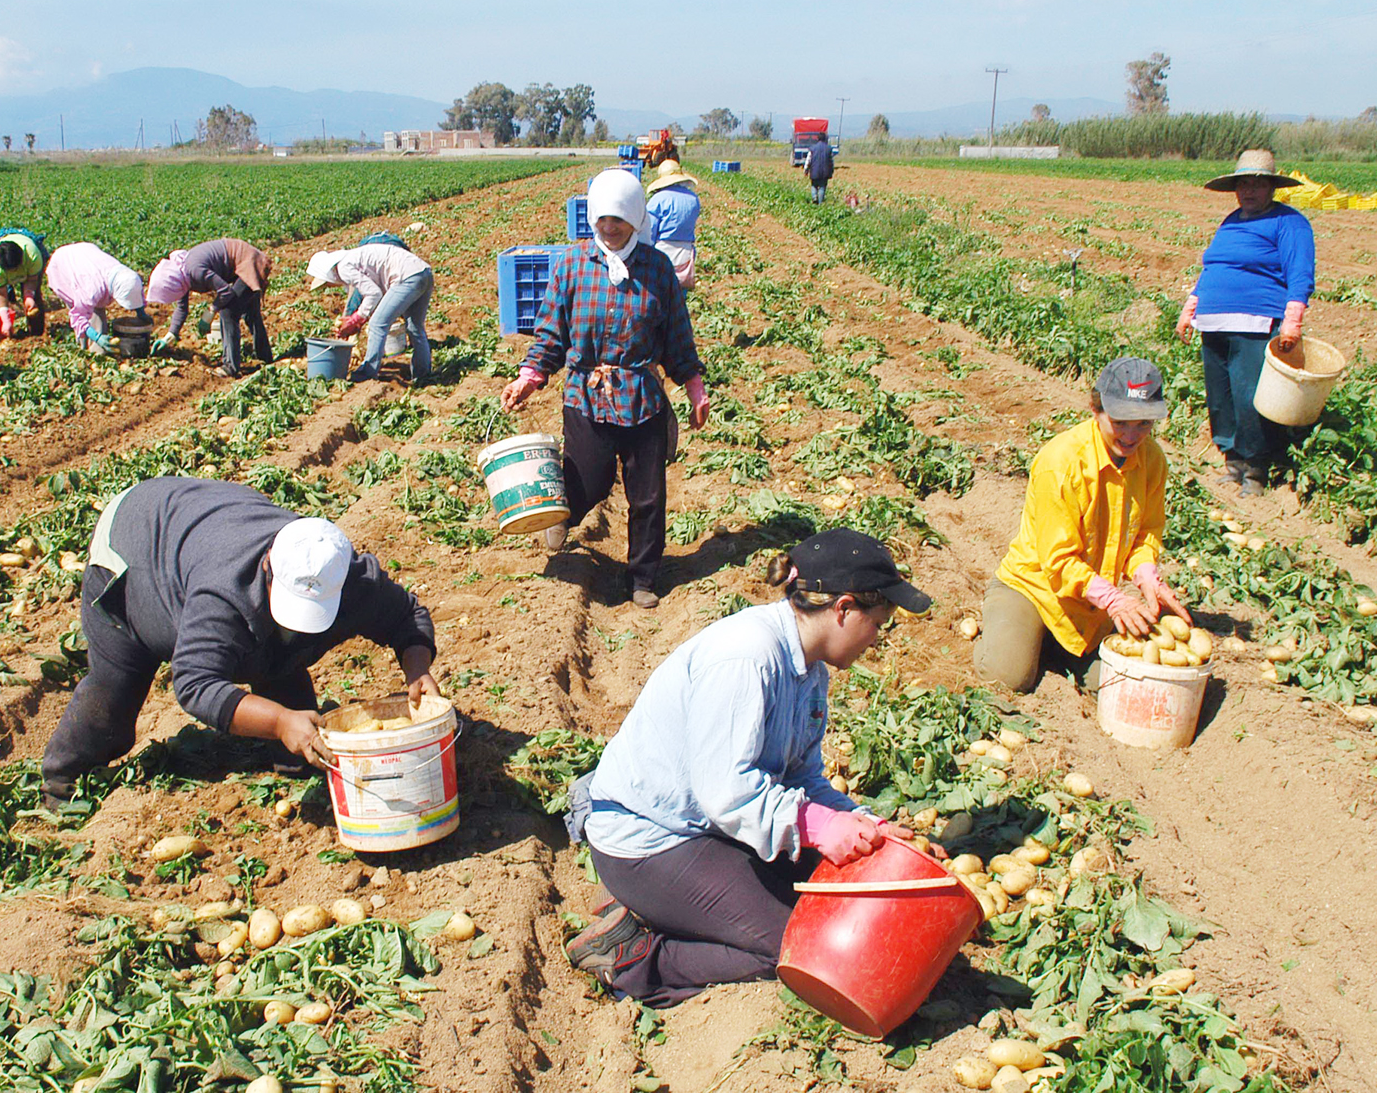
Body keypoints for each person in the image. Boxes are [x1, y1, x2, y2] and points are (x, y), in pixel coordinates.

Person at [563, 529, 933, 1005]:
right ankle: (634, 959)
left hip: (702, 827)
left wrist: (865, 825)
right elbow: (727, 792)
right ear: (842, 609)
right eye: (878, 622)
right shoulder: (747, 659)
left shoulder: (809, 669)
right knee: (803, 949)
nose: (877, 639)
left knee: (821, 901)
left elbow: (802, 777)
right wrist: (817, 826)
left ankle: (664, 908)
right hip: (649, 839)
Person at [40, 476, 441, 805]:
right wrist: (282, 720)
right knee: (119, 684)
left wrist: (417, 670)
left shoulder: (352, 578)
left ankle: (290, 754)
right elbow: (196, 684)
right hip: (133, 545)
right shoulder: (222, 594)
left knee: (282, 655)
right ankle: (62, 781)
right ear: (268, 567)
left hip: (202, 521)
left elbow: (407, 616)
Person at [500, 168, 711, 610]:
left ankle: (643, 578)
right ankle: (562, 517)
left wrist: (693, 386)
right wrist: (529, 377)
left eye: (619, 220)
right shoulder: (573, 264)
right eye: (602, 220)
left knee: (647, 495)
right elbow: (550, 334)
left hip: (641, 397)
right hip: (586, 395)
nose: (610, 228)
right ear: (592, 218)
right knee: (588, 481)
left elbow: (677, 335)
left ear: (636, 219)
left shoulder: (657, 269)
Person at [974, 357, 1192, 694]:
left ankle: (1043, 645)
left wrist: (1146, 574)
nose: (1132, 435)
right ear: (1096, 408)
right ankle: (1017, 629)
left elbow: (1146, 531)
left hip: (1088, 603)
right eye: (1120, 421)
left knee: (1119, 685)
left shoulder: (1152, 460)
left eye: (1144, 423)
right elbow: (1058, 563)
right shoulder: (1061, 462)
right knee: (1009, 678)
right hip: (1034, 589)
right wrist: (1116, 600)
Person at [1174, 149, 1316, 497]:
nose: (1249, 190)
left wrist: (1292, 321)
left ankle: (1256, 469)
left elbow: (1300, 273)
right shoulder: (1231, 222)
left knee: (1250, 395)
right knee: (1220, 396)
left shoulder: (1289, 223)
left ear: (1272, 188)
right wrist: (1191, 306)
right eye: (1243, 184)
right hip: (1215, 321)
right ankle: (1232, 461)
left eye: (1257, 184)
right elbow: (1213, 267)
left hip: (1257, 321)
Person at [306, 239, 435, 383]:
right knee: (415, 326)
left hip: (406, 277)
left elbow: (374, 294)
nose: (330, 286)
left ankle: (368, 372)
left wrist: (356, 320)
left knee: (377, 324)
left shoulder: (344, 267)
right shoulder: (353, 258)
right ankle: (423, 375)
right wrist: (358, 318)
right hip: (423, 273)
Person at [147, 239, 273, 378]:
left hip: (249, 262)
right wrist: (169, 336)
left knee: (228, 311)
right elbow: (182, 309)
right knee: (249, 312)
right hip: (242, 263)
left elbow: (226, 291)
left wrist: (210, 312)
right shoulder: (181, 276)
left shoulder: (194, 271)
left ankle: (230, 367)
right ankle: (266, 359)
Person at [45, 242, 150, 355]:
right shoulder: (91, 290)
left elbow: (134, 293)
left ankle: (97, 348)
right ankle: (85, 350)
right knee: (86, 310)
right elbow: (79, 316)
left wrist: (141, 313)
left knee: (97, 310)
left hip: (86, 253)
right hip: (62, 264)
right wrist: (97, 337)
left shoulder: (129, 276)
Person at [0, 227, 49, 339]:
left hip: (29, 248)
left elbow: (32, 280)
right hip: (1, 254)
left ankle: (36, 335)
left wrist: (28, 296)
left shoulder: (33, 256)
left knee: (34, 300)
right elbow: (0, 294)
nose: (15, 273)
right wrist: (6, 320)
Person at [645, 160, 701, 289]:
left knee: (660, 288)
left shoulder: (658, 199)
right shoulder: (693, 198)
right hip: (686, 250)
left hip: (663, 250)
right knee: (681, 288)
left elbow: (650, 231)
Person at [805, 135, 835, 204]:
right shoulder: (829, 149)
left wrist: (806, 169)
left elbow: (808, 160)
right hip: (825, 172)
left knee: (814, 185)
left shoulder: (813, 148)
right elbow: (831, 161)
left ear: (817, 139)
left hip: (814, 171)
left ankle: (814, 197)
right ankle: (820, 203)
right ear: (825, 139)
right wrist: (832, 170)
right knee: (822, 186)